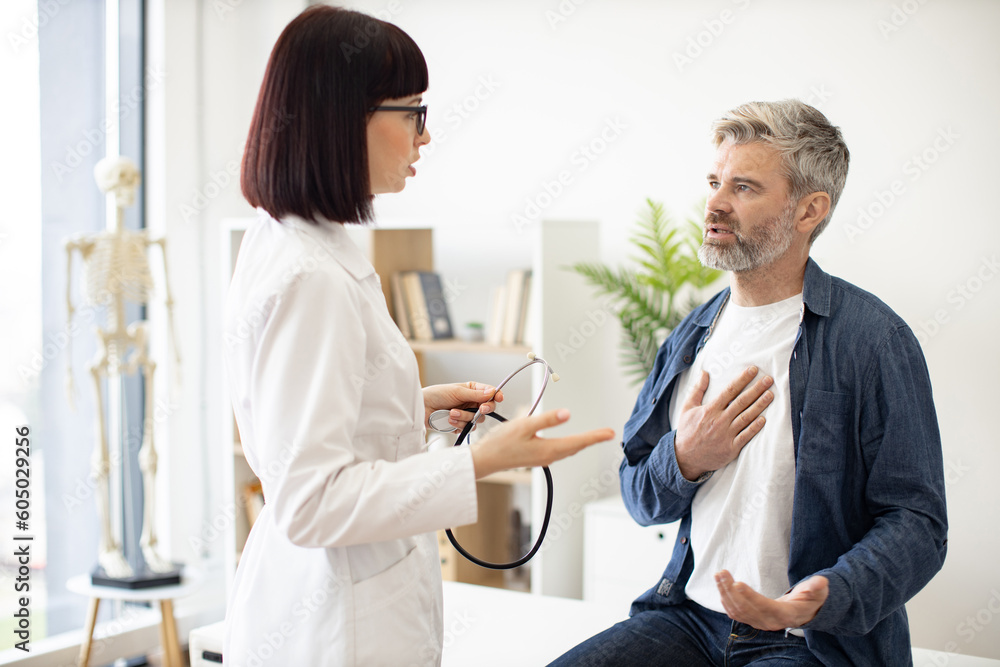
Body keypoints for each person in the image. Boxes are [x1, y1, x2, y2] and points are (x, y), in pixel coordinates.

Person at [222, 7, 615, 666]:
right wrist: (479, 461)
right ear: (345, 117)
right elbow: (311, 502)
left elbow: (314, 421)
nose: (424, 137)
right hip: (333, 619)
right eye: (413, 113)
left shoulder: (290, 236)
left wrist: (412, 402)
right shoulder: (312, 275)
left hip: (337, 596)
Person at [549, 100, 947, 666]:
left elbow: (919, 523)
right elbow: (639, 495)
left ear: (809, 210)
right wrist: (684, 458)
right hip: (686, 620)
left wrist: (824, 596)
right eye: (714, 182)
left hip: (806, 641)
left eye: (744, 187)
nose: (714, 203)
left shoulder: (874, 341)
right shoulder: (692, 335)